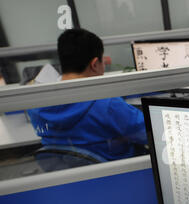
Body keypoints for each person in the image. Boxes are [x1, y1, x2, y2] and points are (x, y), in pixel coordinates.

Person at [28, 28, 148, 161]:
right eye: (102, 62)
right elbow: (149, 132)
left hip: (71, 177)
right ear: (95, 64)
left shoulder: (36, 106)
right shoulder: (106, 105)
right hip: (121, 172)